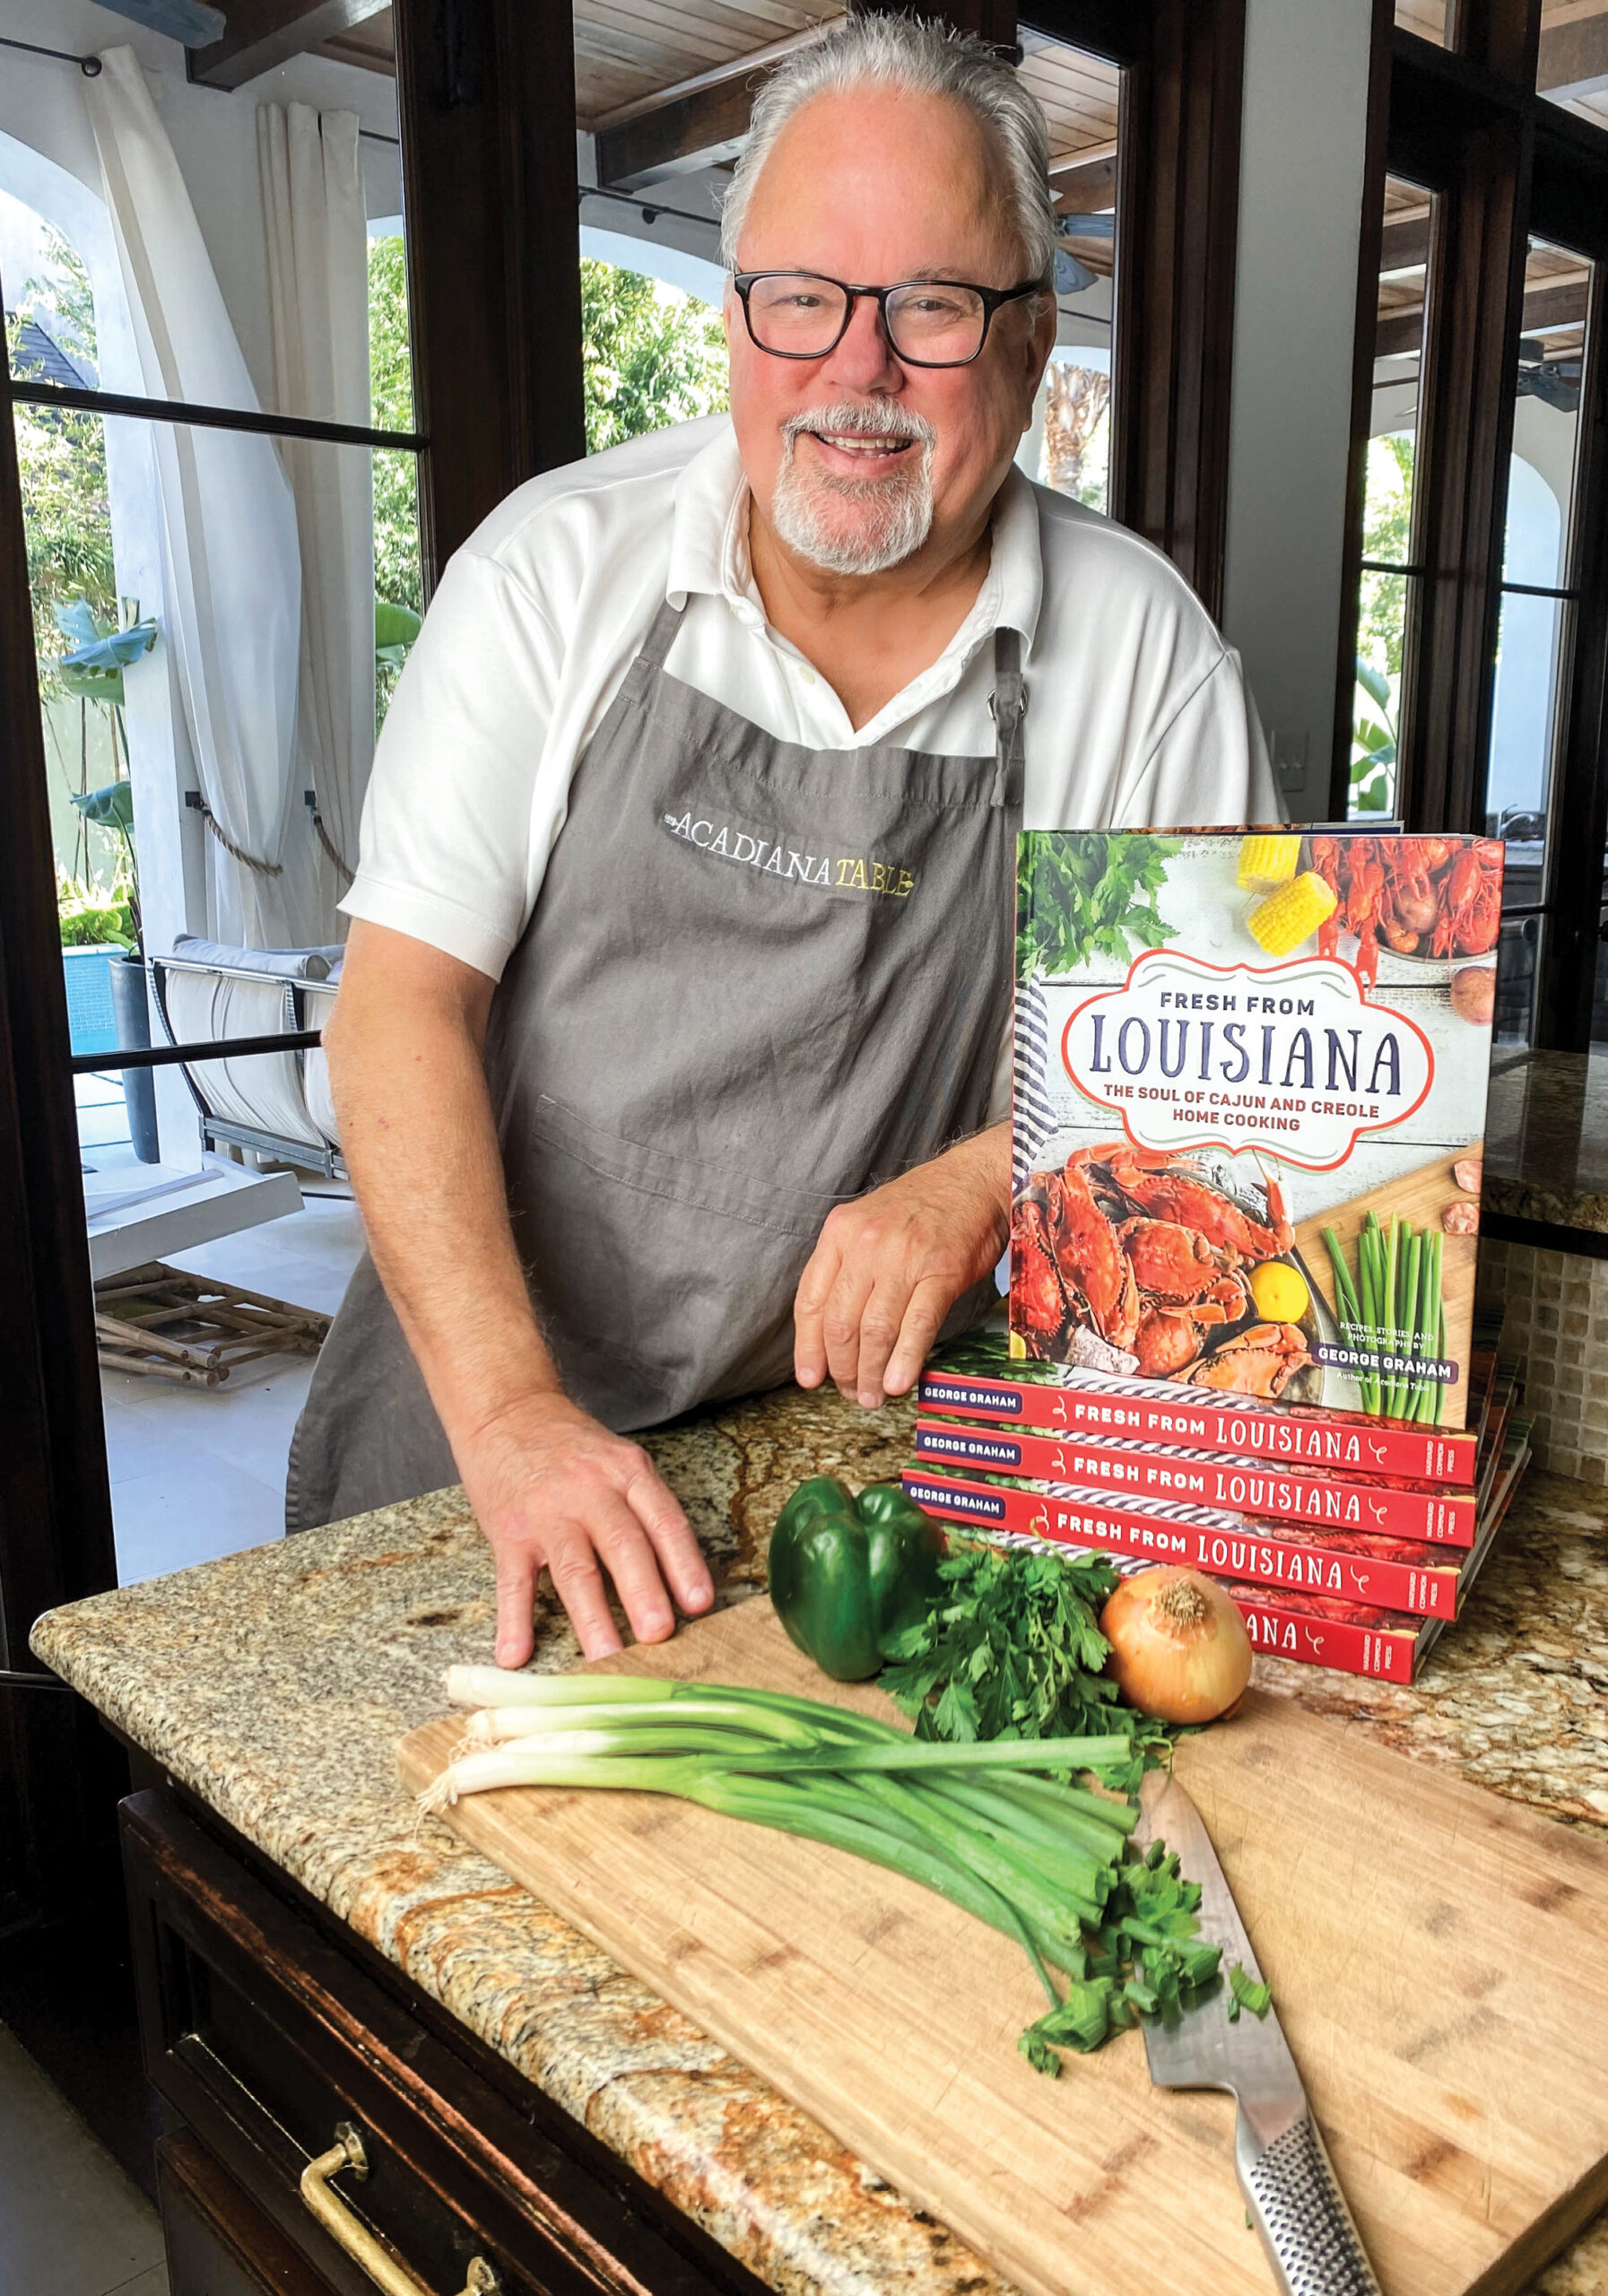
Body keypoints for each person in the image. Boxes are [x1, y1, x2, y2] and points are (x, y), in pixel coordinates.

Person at [288, 14, 1279, 1665]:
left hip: (856, 1482)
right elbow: (400, 1004)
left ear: (1033, 350)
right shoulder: (555, 576)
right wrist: (517, 1414)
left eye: (935, 311)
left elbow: (1217, 1072)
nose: (856, 371)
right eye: (800, 298)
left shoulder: (1145, 656)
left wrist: (985, 1182)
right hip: (485, 1430)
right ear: (737, 317)